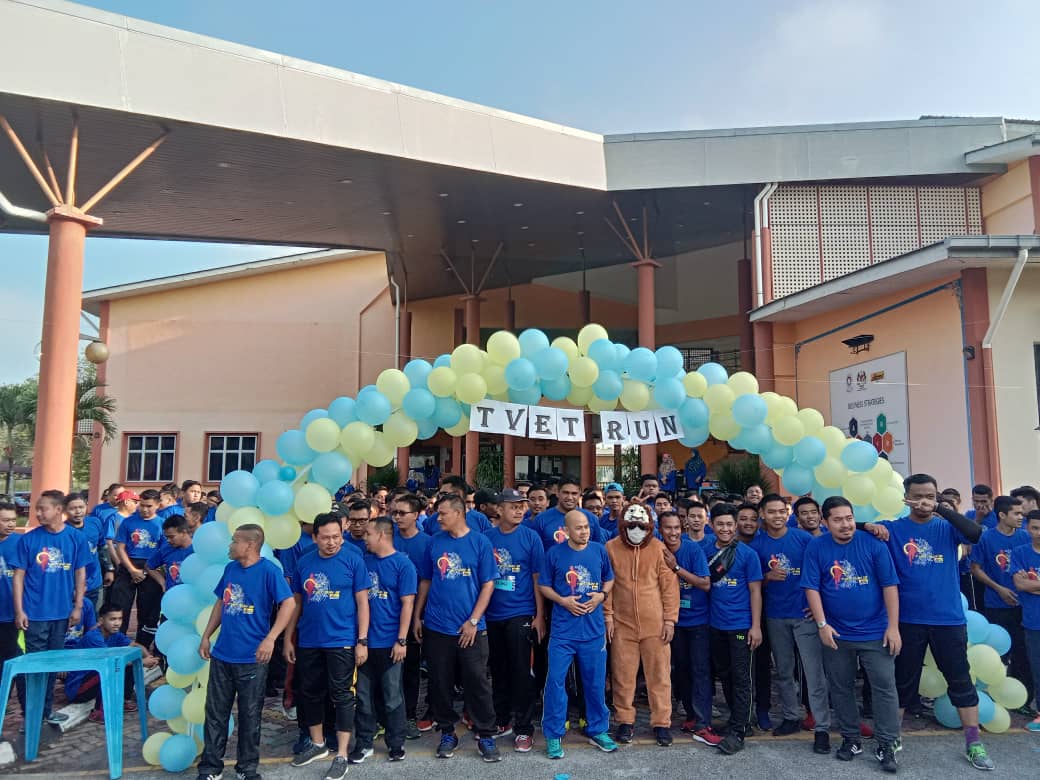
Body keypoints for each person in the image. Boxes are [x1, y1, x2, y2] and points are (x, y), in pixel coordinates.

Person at [885, 473, 993, 770]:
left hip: (948, 620)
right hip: (907, 620)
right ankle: (892, 739)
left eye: (930, 496)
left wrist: (941, 509)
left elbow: (975, 533)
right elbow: (854, 528)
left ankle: (973, 742)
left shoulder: (948, 527)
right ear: (906, 497)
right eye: (917, 495)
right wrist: (869, 526)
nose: (924, 501)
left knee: (960, 681)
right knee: (901, 682)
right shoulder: (893, 529)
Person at [802, 496, 901, 773]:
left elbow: (890, 586)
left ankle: (887, 744)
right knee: (841, 687)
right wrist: (822, 625)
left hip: (876, 632)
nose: (845, 525)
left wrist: (893, 627)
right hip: (837, 633)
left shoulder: (873, 544)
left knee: (884, 687)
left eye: (849, 518)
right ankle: (851, 738)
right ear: (825, 522)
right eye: (837, 520)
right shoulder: (817, 546)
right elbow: (812, 587)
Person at [198, 524, 295, 780]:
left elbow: (289, 603)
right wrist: (207, 636)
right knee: (215, 714)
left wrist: (270, 639)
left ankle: (246, 768)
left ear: (250, 545)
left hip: (252, 658)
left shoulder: (269, 571)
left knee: (250, 715)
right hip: (222, 655)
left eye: (234, 541)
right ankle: (211, 768)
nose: (230, 546)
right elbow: (222, 602)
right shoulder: (230, 569)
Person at [412, 494, 501, 762]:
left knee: (477, 681)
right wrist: (417, 616)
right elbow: (426, 580)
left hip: (471, 628)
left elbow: (488, 584)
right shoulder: (435, 542)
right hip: (437, 626)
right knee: (440, 682)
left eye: (443, 513)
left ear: (459, 513)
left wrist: (473, 620)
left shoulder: (480, 542)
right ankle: (447, 731)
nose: (438, 518)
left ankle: (486, 734)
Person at [284, 512, 370, 777]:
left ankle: (342, 753)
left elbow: (363, 603)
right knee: (310, 692)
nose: (332, 542)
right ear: (315, 538)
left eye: (336, 537)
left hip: (342, 640)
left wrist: (362, 641)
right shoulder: (304, 561)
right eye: (326, 538)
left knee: (342, 695)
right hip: (309, 639)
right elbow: (297, 602)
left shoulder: (353, 560)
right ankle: (318, 743)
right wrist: (288, 638)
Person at [750, 494, 829, 749]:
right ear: (763, 514)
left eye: (781, 511)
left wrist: (819, 608)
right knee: (784, 671)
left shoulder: (804, 539)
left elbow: (822, 573)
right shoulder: (757, 544)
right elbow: (753, 583)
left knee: (813, 671)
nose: (777, 516)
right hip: (775, 616)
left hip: (804, 615)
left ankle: (821, 723)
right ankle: (791, 716)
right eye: (771, 512)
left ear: (788, 514)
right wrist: (767, 577)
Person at [537, 509, 618, 759]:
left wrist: (601, 596)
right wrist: (563, 601)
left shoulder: (599, 550)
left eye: (586, 527)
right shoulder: (554, 553)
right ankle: (553, 734)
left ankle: (598, 729)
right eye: (579, 527)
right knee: (555, 682)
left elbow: (609, 579)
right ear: (566, 530)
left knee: (595, 683)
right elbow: (543, 585)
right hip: (563, 632)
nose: (584, 532)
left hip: (593, 631)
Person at [11, 490, 90, 725]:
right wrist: (19, 610)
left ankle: (46, 711)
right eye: (36, 508)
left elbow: (81, 574)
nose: (37, 513)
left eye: (42, 508)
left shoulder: (75, 538)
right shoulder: (29, 539)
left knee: (53, 663)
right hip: (34, 614)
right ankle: (31, 715)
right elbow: (18, 576)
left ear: (58, 510)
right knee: (34, 665)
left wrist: (77, 607)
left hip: (62, 614)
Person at [605, 504, 679, 747]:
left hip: (655, 626)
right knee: (622, 675)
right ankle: (625, 720)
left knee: (659, 675)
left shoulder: (659, 549)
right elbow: (607, 586)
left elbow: (669, 588)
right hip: (622, 624)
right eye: (632, 524)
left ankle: (661, 723)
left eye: (641, 525)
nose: (636, 529)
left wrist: (669, 620)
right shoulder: (611, 548)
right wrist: (608, 617)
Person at [484, 488, 545, 751]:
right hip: (491, 614)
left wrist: (539, 615)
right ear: (499, 510)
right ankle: (502, 719)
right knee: (498, 669)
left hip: (520, 612)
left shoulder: (531, 538)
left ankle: (524, 728)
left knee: (522, 672)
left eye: (522, 506)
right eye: (513, 506)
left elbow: (537, 578)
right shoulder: (487, 538)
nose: (519, 510)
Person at [354, 516, 415, 762]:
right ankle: (364, 742)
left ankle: (396, 743)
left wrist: (401, 640)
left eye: (368, 533)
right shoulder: (363, 562)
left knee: (392, 697)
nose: (364, 538)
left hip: (390, 643)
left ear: (381, 535)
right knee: (363, 696)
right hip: (365, 643)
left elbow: (407, 604)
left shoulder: (403, 564)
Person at [704, 502, 762, 755]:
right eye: (720, 524)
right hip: (715, 624)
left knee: (741, 678)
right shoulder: (705, 550)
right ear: (711, 525)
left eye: (729, 524)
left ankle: (739, 731)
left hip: (740, 625)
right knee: (725, 675)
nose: (725, 529)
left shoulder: (747, 554)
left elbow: (755, 591)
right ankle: (737, 719)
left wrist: (755, 626)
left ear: (736, 525)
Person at [969, 495, 1033, 711]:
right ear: (1002, 515)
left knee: (1023, 653)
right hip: (996, 604)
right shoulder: (986, 539)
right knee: (998, 653)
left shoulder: (1025, 537)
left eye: (1022, 513)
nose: (1021, 517)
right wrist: (999, 588)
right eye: (1016, 513)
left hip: (1024, 605)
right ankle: (995, 695)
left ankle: (1023, 699)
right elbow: (975, 568)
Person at [658, 510, 716, 745]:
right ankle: (691, 716)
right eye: (667, 528)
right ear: (659, 529)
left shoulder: (692, 550)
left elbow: (705, 583)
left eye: (676, 528)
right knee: (680, 670)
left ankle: (703, 723)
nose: (672, 532)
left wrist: (676, 568)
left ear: (681, 528)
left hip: (698, 620)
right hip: (671, 622)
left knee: (700, 671)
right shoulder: (656, 549)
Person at [65, 602, 159, 723]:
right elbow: (111, 662)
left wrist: (148, 656)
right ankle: (99, 712)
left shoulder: (115, 634)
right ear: (101, 620)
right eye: (112, 619)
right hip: (77, 689)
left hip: (93, 682)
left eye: (120, 619)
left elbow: (134, 646)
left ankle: (123, 699)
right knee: (110, 668)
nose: (117, 623)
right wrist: (141, 662)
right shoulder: (94, 637)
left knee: (129, 656)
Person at [388, 493, 431, 736]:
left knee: (411, 668)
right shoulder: (389, 539)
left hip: (415, 614)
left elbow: (426, 580)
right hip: (387, 614)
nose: (397, 517)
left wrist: (418, 615)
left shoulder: (427, 543)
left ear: (416, 515)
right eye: (394, 513)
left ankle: (409, 715)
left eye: (402, 513)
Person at [110, 488, 164, 647]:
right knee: (121, 607)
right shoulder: (128, 522)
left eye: (149, 506)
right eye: (142, 505)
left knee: (147, 610)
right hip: (128, 566)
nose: (145, 509)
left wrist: (148, 571)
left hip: (151, 569)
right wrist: (132, 570)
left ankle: (142, 647)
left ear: (158, 505)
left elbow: (163, 551)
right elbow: (120, 548)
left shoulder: (161, 524)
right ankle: (118, 644)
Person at [1010, 510, 1040, 730]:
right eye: (1035, 528)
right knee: (1037, 669)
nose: (1039, 533)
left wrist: (1033, 586)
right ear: (1027, 528)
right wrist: (1027, 586)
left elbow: (1027, 584)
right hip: (1033, 622)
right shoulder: (1020, 552)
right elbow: (1020, 585)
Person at [63, 492, 109, 609]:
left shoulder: (95, 522)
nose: (78, 511)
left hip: (95, 583)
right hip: (71, 587)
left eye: (81, 507)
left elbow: (102, 547)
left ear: (86, 506)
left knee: (95, 617)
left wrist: (109, 569)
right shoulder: (61, 531)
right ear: (64, 510)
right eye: (73, 508)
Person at [532, 475, 603, 550]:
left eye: (574, 493)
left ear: (580, 495)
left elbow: (596, 550)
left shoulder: (591, 519)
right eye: (566, 493)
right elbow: (536, 551)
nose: (569, 497)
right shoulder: (541, 519)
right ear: (557, 493)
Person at [0, 501, 24, 717]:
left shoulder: (21, 542)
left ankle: (3, 701)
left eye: (13, 520)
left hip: (11, 615)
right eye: (5, 520)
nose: (10, 524)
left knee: (9, 661)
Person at [424, 476, 491, 535]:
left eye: (444, 494)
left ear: (458, 494)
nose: (440, 497)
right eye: (440, 494)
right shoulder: (432, 520)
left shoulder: (480, 519)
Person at [146, 515, 194, 591]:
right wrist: (163, 583)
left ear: (183, 532)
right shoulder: (166, 549)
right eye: (166, 537)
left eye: (171, 537)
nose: (168, 540)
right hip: (172, 595)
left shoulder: (198, 549)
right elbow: (149, 566)